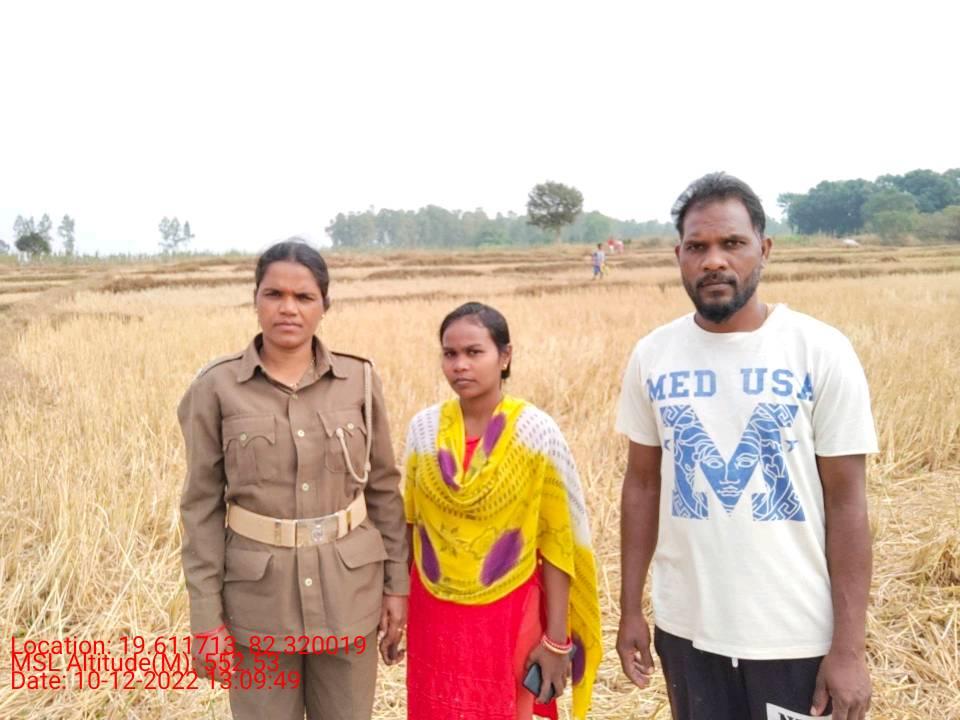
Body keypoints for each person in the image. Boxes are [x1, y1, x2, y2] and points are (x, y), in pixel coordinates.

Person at [615, 173, 877, 720]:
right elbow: (641, 484)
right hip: (687, 630)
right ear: (679, 256)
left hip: (795, 635)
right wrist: (630, 609)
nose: (714, 260)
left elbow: (848, 502)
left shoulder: (819, 351)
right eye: (697, 247)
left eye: (732, 243)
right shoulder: (653, 356)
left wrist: (849, 649)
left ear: (765, 248)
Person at [177, 240, 408, 720]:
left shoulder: (360, 380)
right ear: (255, 300)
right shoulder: (216, 387)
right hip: (258, 605)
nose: (288, 308)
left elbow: (384, 489)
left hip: (349, 596)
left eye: (304, 297)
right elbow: (201, 507)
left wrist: (396, 586)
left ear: (325, 305)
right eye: (274, 294)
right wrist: (205, 617)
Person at [402, 302, 602, 720]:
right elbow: (410, 527)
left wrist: (557, 641)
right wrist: (395, 604)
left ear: (505, 356)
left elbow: (558, 544)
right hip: (433, 612)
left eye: (474, 352)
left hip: (509, 610)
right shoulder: (423, 430)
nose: (460, 365)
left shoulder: (535, 433)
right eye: (450, 354)